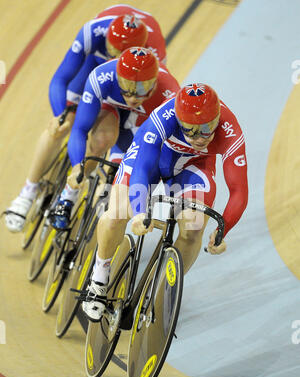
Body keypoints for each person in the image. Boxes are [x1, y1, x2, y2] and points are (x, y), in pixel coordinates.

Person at [80, 83, 249, 322]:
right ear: (179, 120)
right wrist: (139, 211)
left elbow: (239, 191)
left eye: (205, 130)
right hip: (152, 157)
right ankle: (99, 277)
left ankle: (162, 291)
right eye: (189, 130)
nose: (197, 137)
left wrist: (223, 230)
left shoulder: (230, 130)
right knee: (119, 211)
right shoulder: (163, 118)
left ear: (217, 119)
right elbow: (143, 165)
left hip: (193, 167)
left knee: (193, 226)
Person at [5, 4, 167, 233]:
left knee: (104, 138)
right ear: (107, 39)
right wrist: (61, 113)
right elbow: (61, 78)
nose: (114, 57)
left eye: (119, 55)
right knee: (61, 127)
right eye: (111, 50)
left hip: (129, 85)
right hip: (94, 70)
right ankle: (27, 192)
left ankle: (71, 191)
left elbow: (145, 105)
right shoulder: (93, 32)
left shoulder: (153, 57)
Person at [49, 46, 180, 230]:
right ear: (118, 78)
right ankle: (68, 195)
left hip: (143, 123)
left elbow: (163, 143)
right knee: (102, 139)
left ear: (154, 85)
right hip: (111, 109)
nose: (132, 96)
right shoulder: (102, 76)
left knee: (126, 177)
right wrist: (77, 165)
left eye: (140, 89)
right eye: (126, 88)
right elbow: (80, 129)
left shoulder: (171, 94)